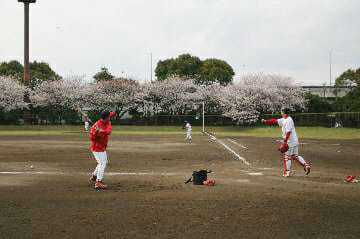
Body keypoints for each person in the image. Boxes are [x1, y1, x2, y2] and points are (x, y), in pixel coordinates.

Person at [261, 108, 311, 177]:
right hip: (294, 141)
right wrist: (266, 121)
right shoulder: (284, 119)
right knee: (295, 156)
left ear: (284, 112)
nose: (281, 112)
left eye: (281, 111)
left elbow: (288, 132)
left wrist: (285, 141)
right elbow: (275, 121)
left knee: (287, 157)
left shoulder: (288, 120)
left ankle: (287, 172)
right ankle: (306, 166)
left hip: (290, 141)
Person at [89, 111, 115, 189]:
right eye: (109, 117)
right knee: (102, 163)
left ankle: (94, 176)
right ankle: (98, 182)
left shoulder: (108, 122)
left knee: (103, 162)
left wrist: (103, 131)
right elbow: (91, 138)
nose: (110, 118)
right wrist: (96, 133)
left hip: (102, 146)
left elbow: (109, 131)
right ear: (106, 117)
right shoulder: (95, 126)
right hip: (97, 147)